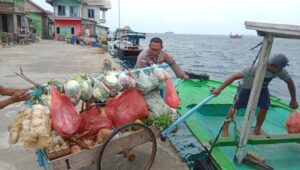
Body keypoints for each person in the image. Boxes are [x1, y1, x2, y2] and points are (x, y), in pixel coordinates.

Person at [212, 53, 299, 136]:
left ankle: (257, 128)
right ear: (273, 65)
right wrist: (219, 89)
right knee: (236, 106)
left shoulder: (281, 71)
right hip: (246, 87)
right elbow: (234, 76)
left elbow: (290, 82)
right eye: (281, 67)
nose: (282, 69)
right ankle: (225, 127)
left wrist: (293, 99)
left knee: (265, 106)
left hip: (262, 88)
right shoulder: (256, 68)